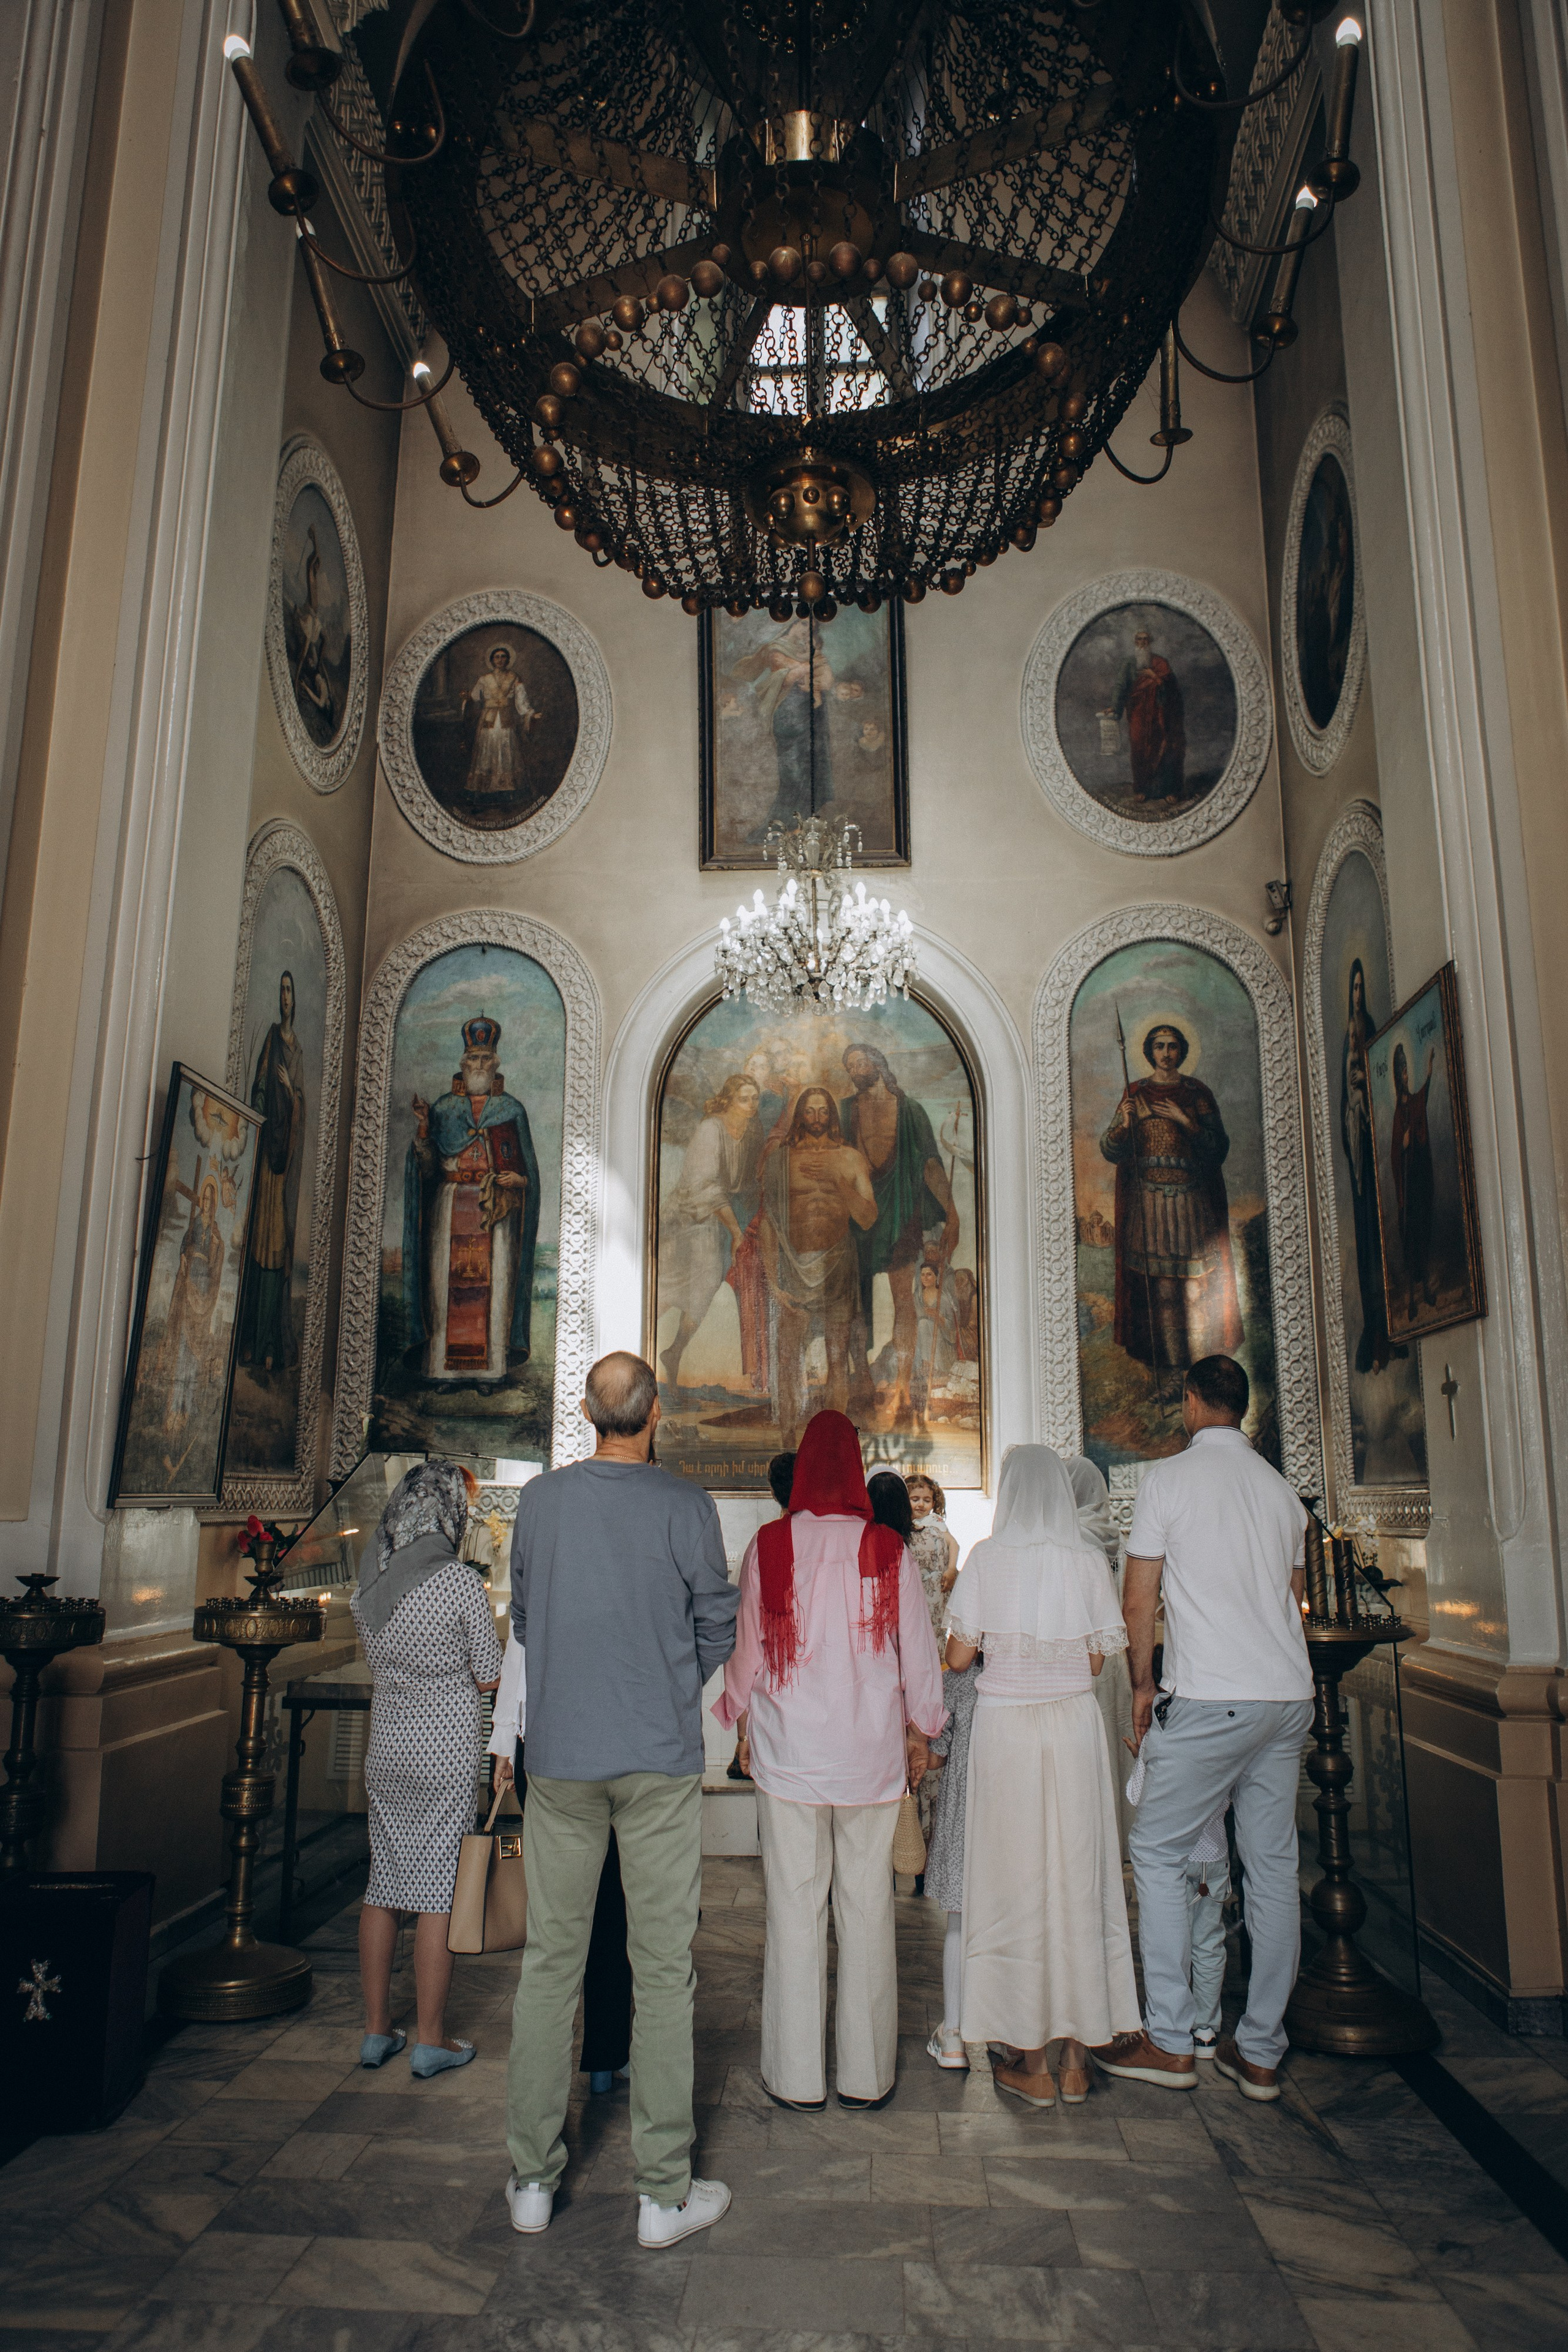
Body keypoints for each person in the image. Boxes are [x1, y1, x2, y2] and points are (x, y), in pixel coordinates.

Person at [502, 1353, 739, 2247]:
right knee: (663, 1966)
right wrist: (670, 1680)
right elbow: (716, 1618)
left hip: (561, 1754)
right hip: (655, 1757)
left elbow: (526, 1616)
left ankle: (531, 2179)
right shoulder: (685, 1505)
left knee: (550, 1965)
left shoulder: (541, 1503)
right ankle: (663, 2194)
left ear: (587, 1414)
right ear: (657, 1414)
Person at [1091, 1353, 1313, 2101]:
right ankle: (1258, 2052)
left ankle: (1170, 2038)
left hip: (1211, 1695)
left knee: (1155, 1851)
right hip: (1285, 1696)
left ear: (1190, 1403)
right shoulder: (1283, 1496)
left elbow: (1137, 1600)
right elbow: (1293, 1601)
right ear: (1242, 1408)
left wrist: (1142, 1687)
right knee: (1272, 1868)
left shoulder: (1168, 1481)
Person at [715, 1409, 946, 2111]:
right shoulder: (887, 1549)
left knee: (792, 1909)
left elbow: (748, 1651)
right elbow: (918, 1656)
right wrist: (922, 1734)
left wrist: (742, 1722)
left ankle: (795, 2077)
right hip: (868, 1758)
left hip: (790, 1757)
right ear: (852, 1465)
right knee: (868, 1909)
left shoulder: (769, 1545)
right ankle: (866, 2076)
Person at [944, 1446, 1139, 2108]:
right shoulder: (1087, 1562)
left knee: (1013, 1884)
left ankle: (1029, 2060)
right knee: (1079, 1877)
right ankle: (1079, 2058)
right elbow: (1092, 1665)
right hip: (1073, 1729)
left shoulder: (986, 1559)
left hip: (1006, 1731)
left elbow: (957, 1655)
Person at [353, 1460, 503, 2078]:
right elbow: (490, 1673)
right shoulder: (459, 1583)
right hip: (444, 1749)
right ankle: (432, 2039)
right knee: (440, 1888)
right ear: (447, 1513)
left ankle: (374, 2031)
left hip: (386, 1744)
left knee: (383, 1883)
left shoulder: (370, 1584)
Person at [488, 1637, 633, 2101]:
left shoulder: (545, 1561)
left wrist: (506, 1741)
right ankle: (608, 2056)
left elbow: (520, 1644)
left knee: (559, 1919)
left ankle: (548, 2103)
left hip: (548, 1741)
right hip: (616, 1735)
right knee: (609, 1902)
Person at [404, 1014, 540, 1386]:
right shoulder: (444, 1110)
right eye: (473, 1059)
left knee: (494, 1285)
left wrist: (519, 1179)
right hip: (449, 1209)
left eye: (485, 1059)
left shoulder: (512, 1110)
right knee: (444, 1289)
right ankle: (445, 1371)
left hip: (495, 1211)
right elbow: (428, 1169)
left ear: (494, 1063)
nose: (479, 1065)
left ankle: (489, 1372)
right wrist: (422, 1129)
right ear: (463, 1064)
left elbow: (529, 1172)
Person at [1099, 1022, 1242, 1373]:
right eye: (1160, 1046)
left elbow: (1218, 1147)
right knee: (1161, 1288)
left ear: (1181, 1051)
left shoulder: (1196, 1094)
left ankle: (1196, 1369)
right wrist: (1124, 1126)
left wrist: (1186, 1121)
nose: (1166, 1053)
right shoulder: (1136, 1094)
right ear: (1150, 1052)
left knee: (1193, 1289)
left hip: (1189, 1202)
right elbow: (1110, 1148)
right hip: (1149, 1204)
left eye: (1173, 1046)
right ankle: (1168, 1367)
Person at [839, 1044, 959, 1429]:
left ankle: (903, 1388)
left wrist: (952, 1212)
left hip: (902, 1209)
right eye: (851, 1065)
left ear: (880, 1064)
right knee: (853, 1301)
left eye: (863, 1062)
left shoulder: (910, 1111)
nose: (857, 1069)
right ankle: (861, 1378)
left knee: (903, 1301)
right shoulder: (845, 1111)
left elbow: (930, 1165)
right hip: (857, 1211)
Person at [757, 1085, 878, 1444]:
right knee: (788, 1354)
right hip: (794, 1267)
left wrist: (840, 1183)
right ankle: (787, 1439)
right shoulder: (782, 1159)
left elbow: (869, 1217)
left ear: (832, 1115)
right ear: (799, 1116)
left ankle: (834, 1441)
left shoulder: (850, 1158)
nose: (816, 1119)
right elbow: (769, 1223)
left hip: (838, 1263)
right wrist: (772, 1280)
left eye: (823, 1111)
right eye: (809, 1112)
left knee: (837, 1355)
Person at [658, 1072, 764, 1392]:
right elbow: (705, 1185)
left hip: (718, 1219)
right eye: (744, 1099)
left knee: (704, 1288)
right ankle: (643, 1342)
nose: (751, 1105)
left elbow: (746, 1183)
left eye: (755, 1099)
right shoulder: (710, 1129)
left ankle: (674, 1351)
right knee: (668, 1285)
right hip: (689, 1217)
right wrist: (736, 1232)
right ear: (729, 1099)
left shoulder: (752, 1130)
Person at [239, 969, 306, 1377]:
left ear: (295, 1000)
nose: (284, 997)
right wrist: (270, 1091)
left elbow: (301, 1101)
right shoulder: (271, 1039)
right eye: (281, 989)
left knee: (278, 1249)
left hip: (285, 1162)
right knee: (259, 1248)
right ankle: (252, 1339)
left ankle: (269, 1344)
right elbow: (259, 1090)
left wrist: (292, 1091)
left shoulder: (296, 1051)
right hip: (267, 1159)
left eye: (289, 990)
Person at [1341, 959, 1403, 1373]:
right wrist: (1356, 1101)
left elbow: (1388, 1092)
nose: (1359, 997)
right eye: (1355, 989)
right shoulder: (1346, 1040)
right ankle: (1374, 1332)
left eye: (1363, 988)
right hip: (1360, 1163)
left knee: (1385, 1243)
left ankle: (1390, 1331)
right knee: (1366, 1251)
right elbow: (1345, 1103)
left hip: (1378, 1157)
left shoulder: (1372, 1030)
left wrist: (1369, 1099)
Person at [728, 1450, 796, 1782]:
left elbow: (745, 1650)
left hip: (776, 1713)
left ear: (773, 1491)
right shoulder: (850, 1541)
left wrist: (743, 1736)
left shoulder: (764, 1544)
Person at [1107, 625, 1186, 802]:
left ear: (1150, 642)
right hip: (1138, 713)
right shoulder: (1128, 663)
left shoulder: (1161, 663)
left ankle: (1169, 791)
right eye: (1139, 639)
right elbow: (1121, 686)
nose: (1142, 643)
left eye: (1145, 639)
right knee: (1139, 748)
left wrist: (1154, 677)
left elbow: (1173, 690)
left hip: (1160, 712)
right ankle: (1142, 789)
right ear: (1135, 642)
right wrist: (1114, 707)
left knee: (1164, 746)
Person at [1389, 1040, 1438, 1320]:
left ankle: (1427, 1293)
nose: (1407, 1073)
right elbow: (1395, 1154)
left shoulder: (1413, 1102)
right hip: (1407, 1187)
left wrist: (1430, 1073)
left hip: (1419, 1182)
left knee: (1423, 1236)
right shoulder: (1398, 1113)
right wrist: (1405, 1144)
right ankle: (1411, 1299)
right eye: (1403, 1070)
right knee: (1410, 1241)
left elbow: (1423, 1099)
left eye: (1407, 1068)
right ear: (1398, 1077)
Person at [464, 643, 537, 801]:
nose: (500, 660)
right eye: (497, 657)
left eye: (503, 657)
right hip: (488, 720)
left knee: (506, 748)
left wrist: (530, 714)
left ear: (508, 659)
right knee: (487, 749)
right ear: (492, 660)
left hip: (506, 719)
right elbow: (474, 697)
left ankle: (508, 789)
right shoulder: (484, 679)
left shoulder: (514, 677)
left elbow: (521, 701)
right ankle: (484, 790)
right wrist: (466, 699)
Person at [905, 1472, 959, 1639]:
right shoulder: (904, 1523)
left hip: (935, 1587)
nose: (921, 1505)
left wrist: (951, 1570)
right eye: (915, 1499)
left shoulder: (934, 1521)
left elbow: (953, 1544)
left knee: (934, 1626)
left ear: (934, 1503)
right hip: (914, 1584)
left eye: (927, 1501)